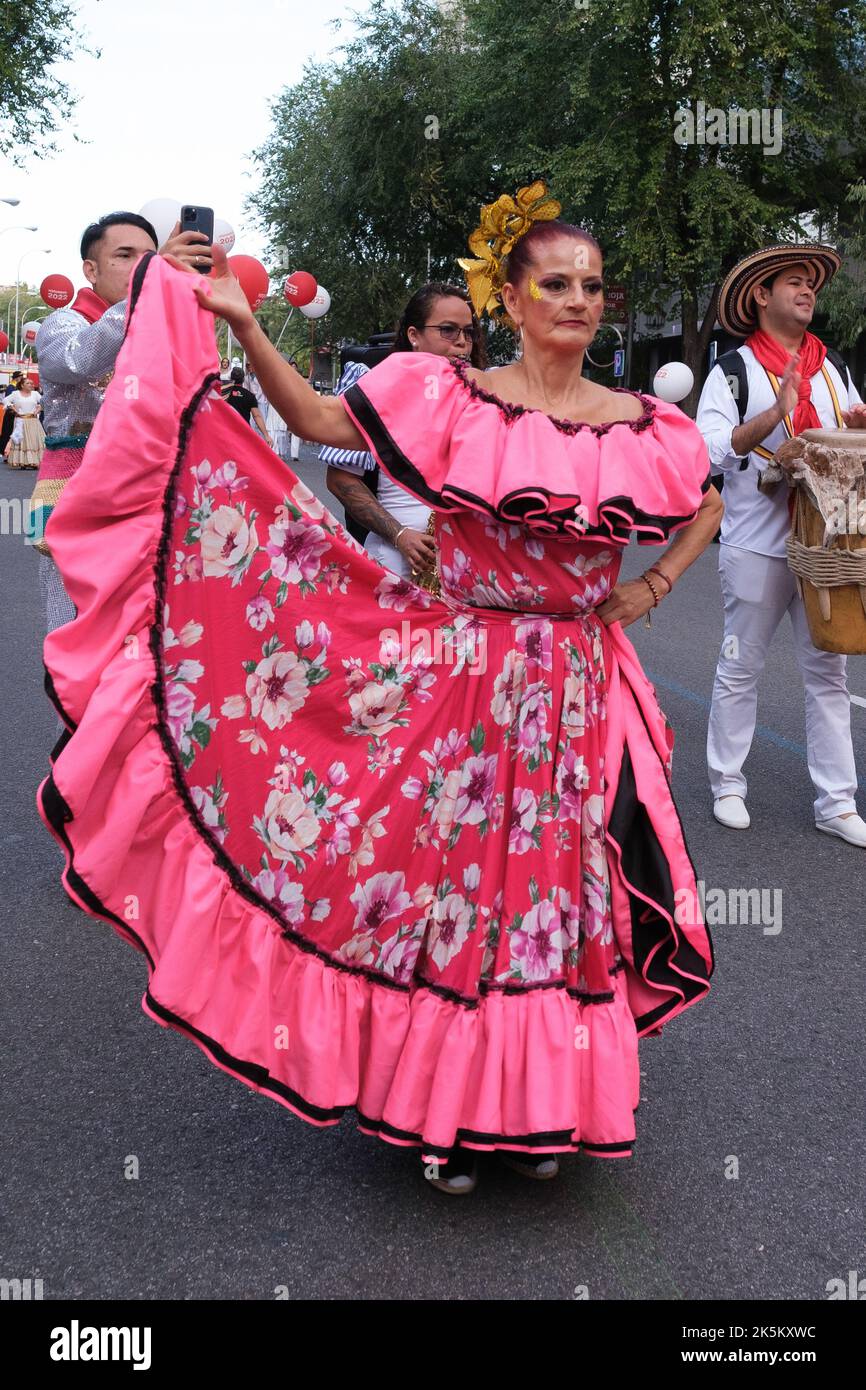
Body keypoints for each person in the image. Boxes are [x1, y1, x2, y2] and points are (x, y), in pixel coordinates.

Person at [38, 183, 719, 1199]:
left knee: (555, 896)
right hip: (465, 676)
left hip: (577, 695)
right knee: (458, 891)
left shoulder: (643, 424)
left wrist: (652, 583)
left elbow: (701, 498)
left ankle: (543, 1107)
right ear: (514, 301)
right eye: (553, 283)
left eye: (589, 285)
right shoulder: (443, 392)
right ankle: (443, 1114)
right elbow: (317, 420)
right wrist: (243, 321)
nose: (576, 300)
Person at [696, 245, 866, 846]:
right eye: (793, 283)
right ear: (761, 297)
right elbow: (712, 451)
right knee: (742, 664)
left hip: (826, 544)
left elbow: (847, 441)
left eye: (810, 285)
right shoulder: (732, 370)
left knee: (830, 669)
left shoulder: (832, 366)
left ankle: (836, 802)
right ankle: (727, 783)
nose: (807, 291)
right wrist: (776, 413)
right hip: (757, 542)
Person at [28, 210, 214, 636]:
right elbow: (79, 358)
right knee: (73, 631)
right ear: (89, 270)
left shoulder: (157, 329)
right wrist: (150, 285)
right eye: (126, 256)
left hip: (142, 497)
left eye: (150, 257)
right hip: (67, 497)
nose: (141, 266)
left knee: (141, 637)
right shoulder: (65, 323)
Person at [323, 284, 487, 580]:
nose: (462, 342)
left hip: (467, 572)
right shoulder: (377, 387)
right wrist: (399, 535)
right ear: (414, 335)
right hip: (396, 566)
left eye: (469, 332)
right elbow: (340, 478)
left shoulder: (485, 395)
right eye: (448, 330)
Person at [221, 366, 273, 447]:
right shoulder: (249, 395)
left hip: (226, 431)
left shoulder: (224, 393)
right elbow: (257, 416)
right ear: (243, 379)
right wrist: (266, 435)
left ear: (231, 377)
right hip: (243, 432)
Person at [3, 374, 44, 468]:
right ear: (22, 385)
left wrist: (38, 410)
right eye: (28, 383)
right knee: (21, 441)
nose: (31, 385)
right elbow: (5, 401)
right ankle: (22, 462)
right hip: (20, 421)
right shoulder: (15, 393)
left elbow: (44, 402)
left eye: (32, 383)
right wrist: (13, 409)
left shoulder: (35, 394)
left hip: (32, 421)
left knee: (33, 441)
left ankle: (34, 462)